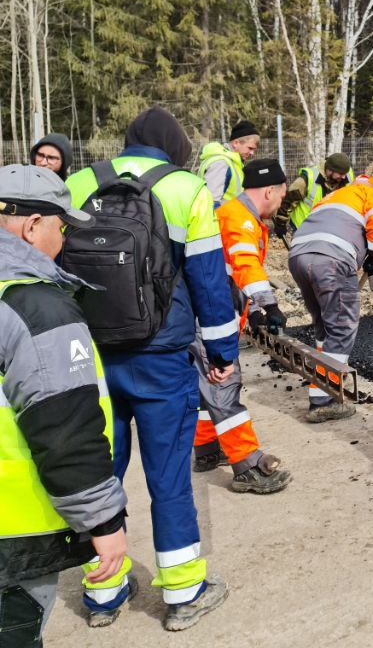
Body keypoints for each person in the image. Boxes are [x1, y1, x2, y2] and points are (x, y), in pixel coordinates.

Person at [65, 107, 235, 630]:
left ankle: (103, 593)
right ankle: (184, 592)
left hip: (90, 358)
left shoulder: (77, 183)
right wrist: (223, 355)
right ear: (176, 146)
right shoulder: (187, 189)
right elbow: (209, 280)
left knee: (98, 474)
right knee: (167, 478)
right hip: (161, 358)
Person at [0, 165, 128, 645]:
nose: (66, 238)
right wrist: (103, 521)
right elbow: (65, 426)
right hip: (14, 537)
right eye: (63, 225)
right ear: (33, 226)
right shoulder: (35, 306)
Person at [192, 158, 292, 494]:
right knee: (224, 381)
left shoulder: (233, 214)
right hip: (209, 317)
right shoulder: (239, 219)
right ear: (269, 190)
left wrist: (249, 312)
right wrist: (271, 305)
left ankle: (207, 449)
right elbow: (245, 264)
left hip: (207, 312)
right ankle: (247, 465)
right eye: (281, 196)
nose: (280, 204)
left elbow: (226, 273)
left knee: (207, 381)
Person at [287, 172, 373, 422]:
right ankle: (324, 398)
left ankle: (319, 380)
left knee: (323, 324)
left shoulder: (331, 196)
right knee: (342, 328)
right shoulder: (371, 194)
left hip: (299, 255)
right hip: (332, 259)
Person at [278, 153, 353, 237]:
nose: (343, 177)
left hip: (332, 228)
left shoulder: (347, 175)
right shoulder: (307, 179)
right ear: (330, 170)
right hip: (304, 228)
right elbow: (288, 201)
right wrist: (281, 223)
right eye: (340, 174)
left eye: (345, 173)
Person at [197, 119, 260, 207]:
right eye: (250, 148)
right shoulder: (221, 163)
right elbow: (211, 203)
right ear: (236, 143)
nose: (252, 153)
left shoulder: (233, 162)